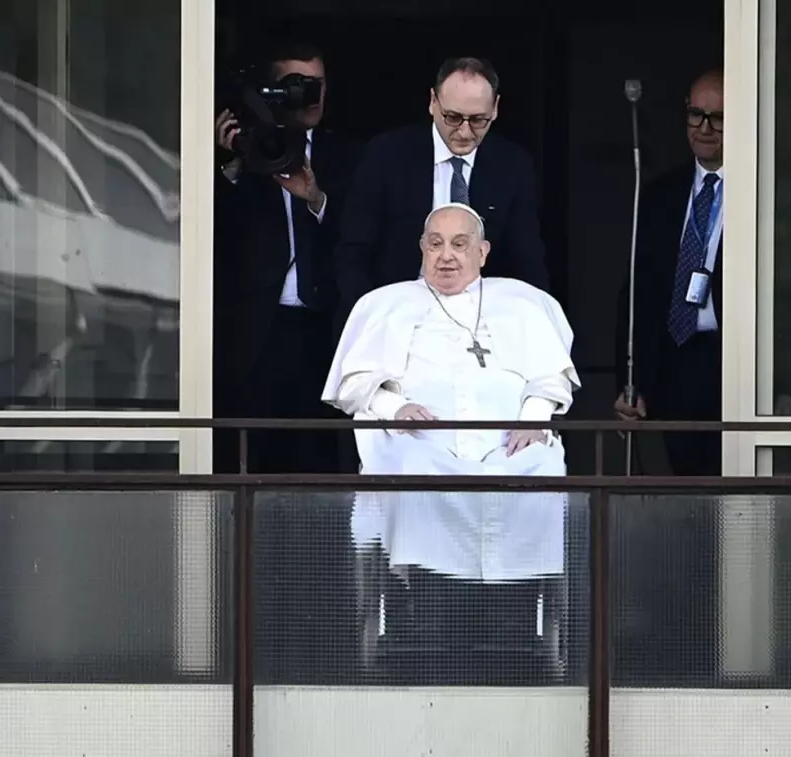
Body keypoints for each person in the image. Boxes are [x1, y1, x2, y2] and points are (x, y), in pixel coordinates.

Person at [322, 202, 578, 683]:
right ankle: (430, 617)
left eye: (460, 244)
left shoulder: (521, 304)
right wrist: (395, 408)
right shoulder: (388, 305)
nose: (446, 256)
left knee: (541, 466)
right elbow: (355, 386)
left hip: (505, 448)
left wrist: (534, 418)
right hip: (424, 446)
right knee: (410, 463)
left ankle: (518, 624)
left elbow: (550, 380)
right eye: (435, 244)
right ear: (421, 249)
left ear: (482, 252)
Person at [212, 41, 360, 684]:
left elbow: (364, 239)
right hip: (255, 344)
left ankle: (323, 642)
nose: (310, 96)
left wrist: (315, 197)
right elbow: (200, 240)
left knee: (320, 493)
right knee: (251, 490)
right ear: (270, 92)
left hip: (320, 340)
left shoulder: (348, 157)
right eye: (295, 85)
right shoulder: (241, 154)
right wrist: (223, 164)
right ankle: (247, 640)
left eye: (318, 85)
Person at [334, 57, 548, 324]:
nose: (465, 132)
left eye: (479, 120)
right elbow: (354, 251)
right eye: (453, 117)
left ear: (495, 108)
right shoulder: (387, 155)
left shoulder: (513, 165)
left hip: (484, 320)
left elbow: (527, 261)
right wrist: (370, 318)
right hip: (395, 315)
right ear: (433, 102)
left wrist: (535, 321)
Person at [615, 68, 725, 476]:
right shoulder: (662, 191)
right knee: (688, 492)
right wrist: (629, 379)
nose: (705, 128)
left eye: (719, 118)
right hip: (676, 360)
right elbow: (637, 290)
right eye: (697, 114)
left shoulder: (760, 189)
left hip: (734, 363)